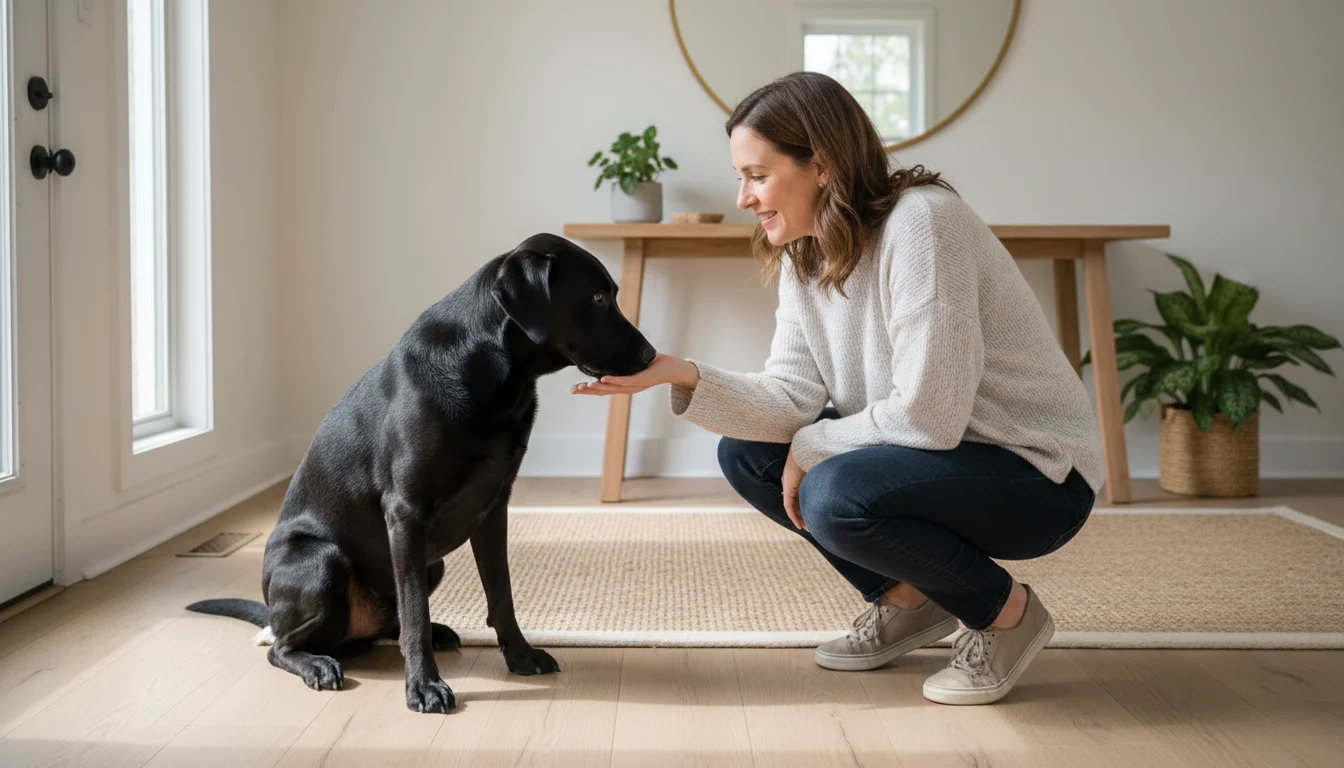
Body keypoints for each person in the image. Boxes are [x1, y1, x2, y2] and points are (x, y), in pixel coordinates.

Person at [572, 71, 1102, 706]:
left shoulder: (925, 224)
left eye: (757, 175)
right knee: (746, 452)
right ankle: (908, 600)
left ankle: (1007, 615)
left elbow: (930, 416)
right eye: (741, 176)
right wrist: (678, 371)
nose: (743, 197)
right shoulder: (807, 253)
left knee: (832, 493)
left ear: (820, 165)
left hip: (1036, 472)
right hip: (941, 456)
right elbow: (791, 397)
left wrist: (816, 445)